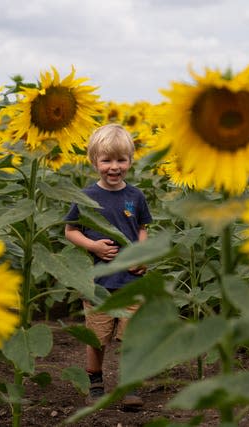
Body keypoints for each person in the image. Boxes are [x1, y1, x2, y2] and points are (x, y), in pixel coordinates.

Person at [64, 123, 153, 409]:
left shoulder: (136, 196)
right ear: (94, 162)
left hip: (131, 280)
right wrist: (93, 246)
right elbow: (70, 230)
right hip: (97, 283)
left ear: (130, 160)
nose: (114, 167)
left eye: (121, 160)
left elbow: (142, 228)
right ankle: (96, 384)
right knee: (97, 337)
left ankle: (130, 386)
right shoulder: (86, 196)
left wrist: (141, 254)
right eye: (107, 160)